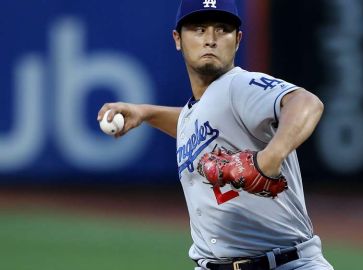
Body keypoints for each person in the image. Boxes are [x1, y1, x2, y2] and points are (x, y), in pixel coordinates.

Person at [97, 0, 333, 269]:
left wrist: (270, 157)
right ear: (178, 39)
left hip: (284, 263)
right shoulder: (198, 109)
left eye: (222, 29)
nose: (210, 39)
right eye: (198, 29)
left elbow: (306, 103)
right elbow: (195, 123)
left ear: (238, 39)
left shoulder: (239, 85)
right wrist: (145, 113)